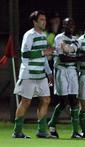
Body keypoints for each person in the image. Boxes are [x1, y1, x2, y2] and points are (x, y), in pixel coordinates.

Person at [12, 10, 54, 138]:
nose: (44, 22)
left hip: (41, 75)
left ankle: (41, 131)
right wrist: (43, 52)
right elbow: (25, 53)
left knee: (46, 99)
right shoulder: (29, 35)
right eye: (41, 19)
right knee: (25, 102)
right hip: (29, 74)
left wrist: (49, 73)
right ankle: (17, 131)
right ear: (34, 22)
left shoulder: (43, 35)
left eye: (45, 19)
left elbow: (44, 57)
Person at [48, 17, 82, 139]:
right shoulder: (59, 38)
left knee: (74, 101)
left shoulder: (76, 39)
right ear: (64, 26)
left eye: (72, 24)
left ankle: (75, 131)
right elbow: (63, 58)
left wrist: (79, 57)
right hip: (61, 70)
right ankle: (51, 124)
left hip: (72, 71)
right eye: (67, 24)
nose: (70, 26)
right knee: (63, 101)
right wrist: (80, 58)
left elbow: (76, 53)